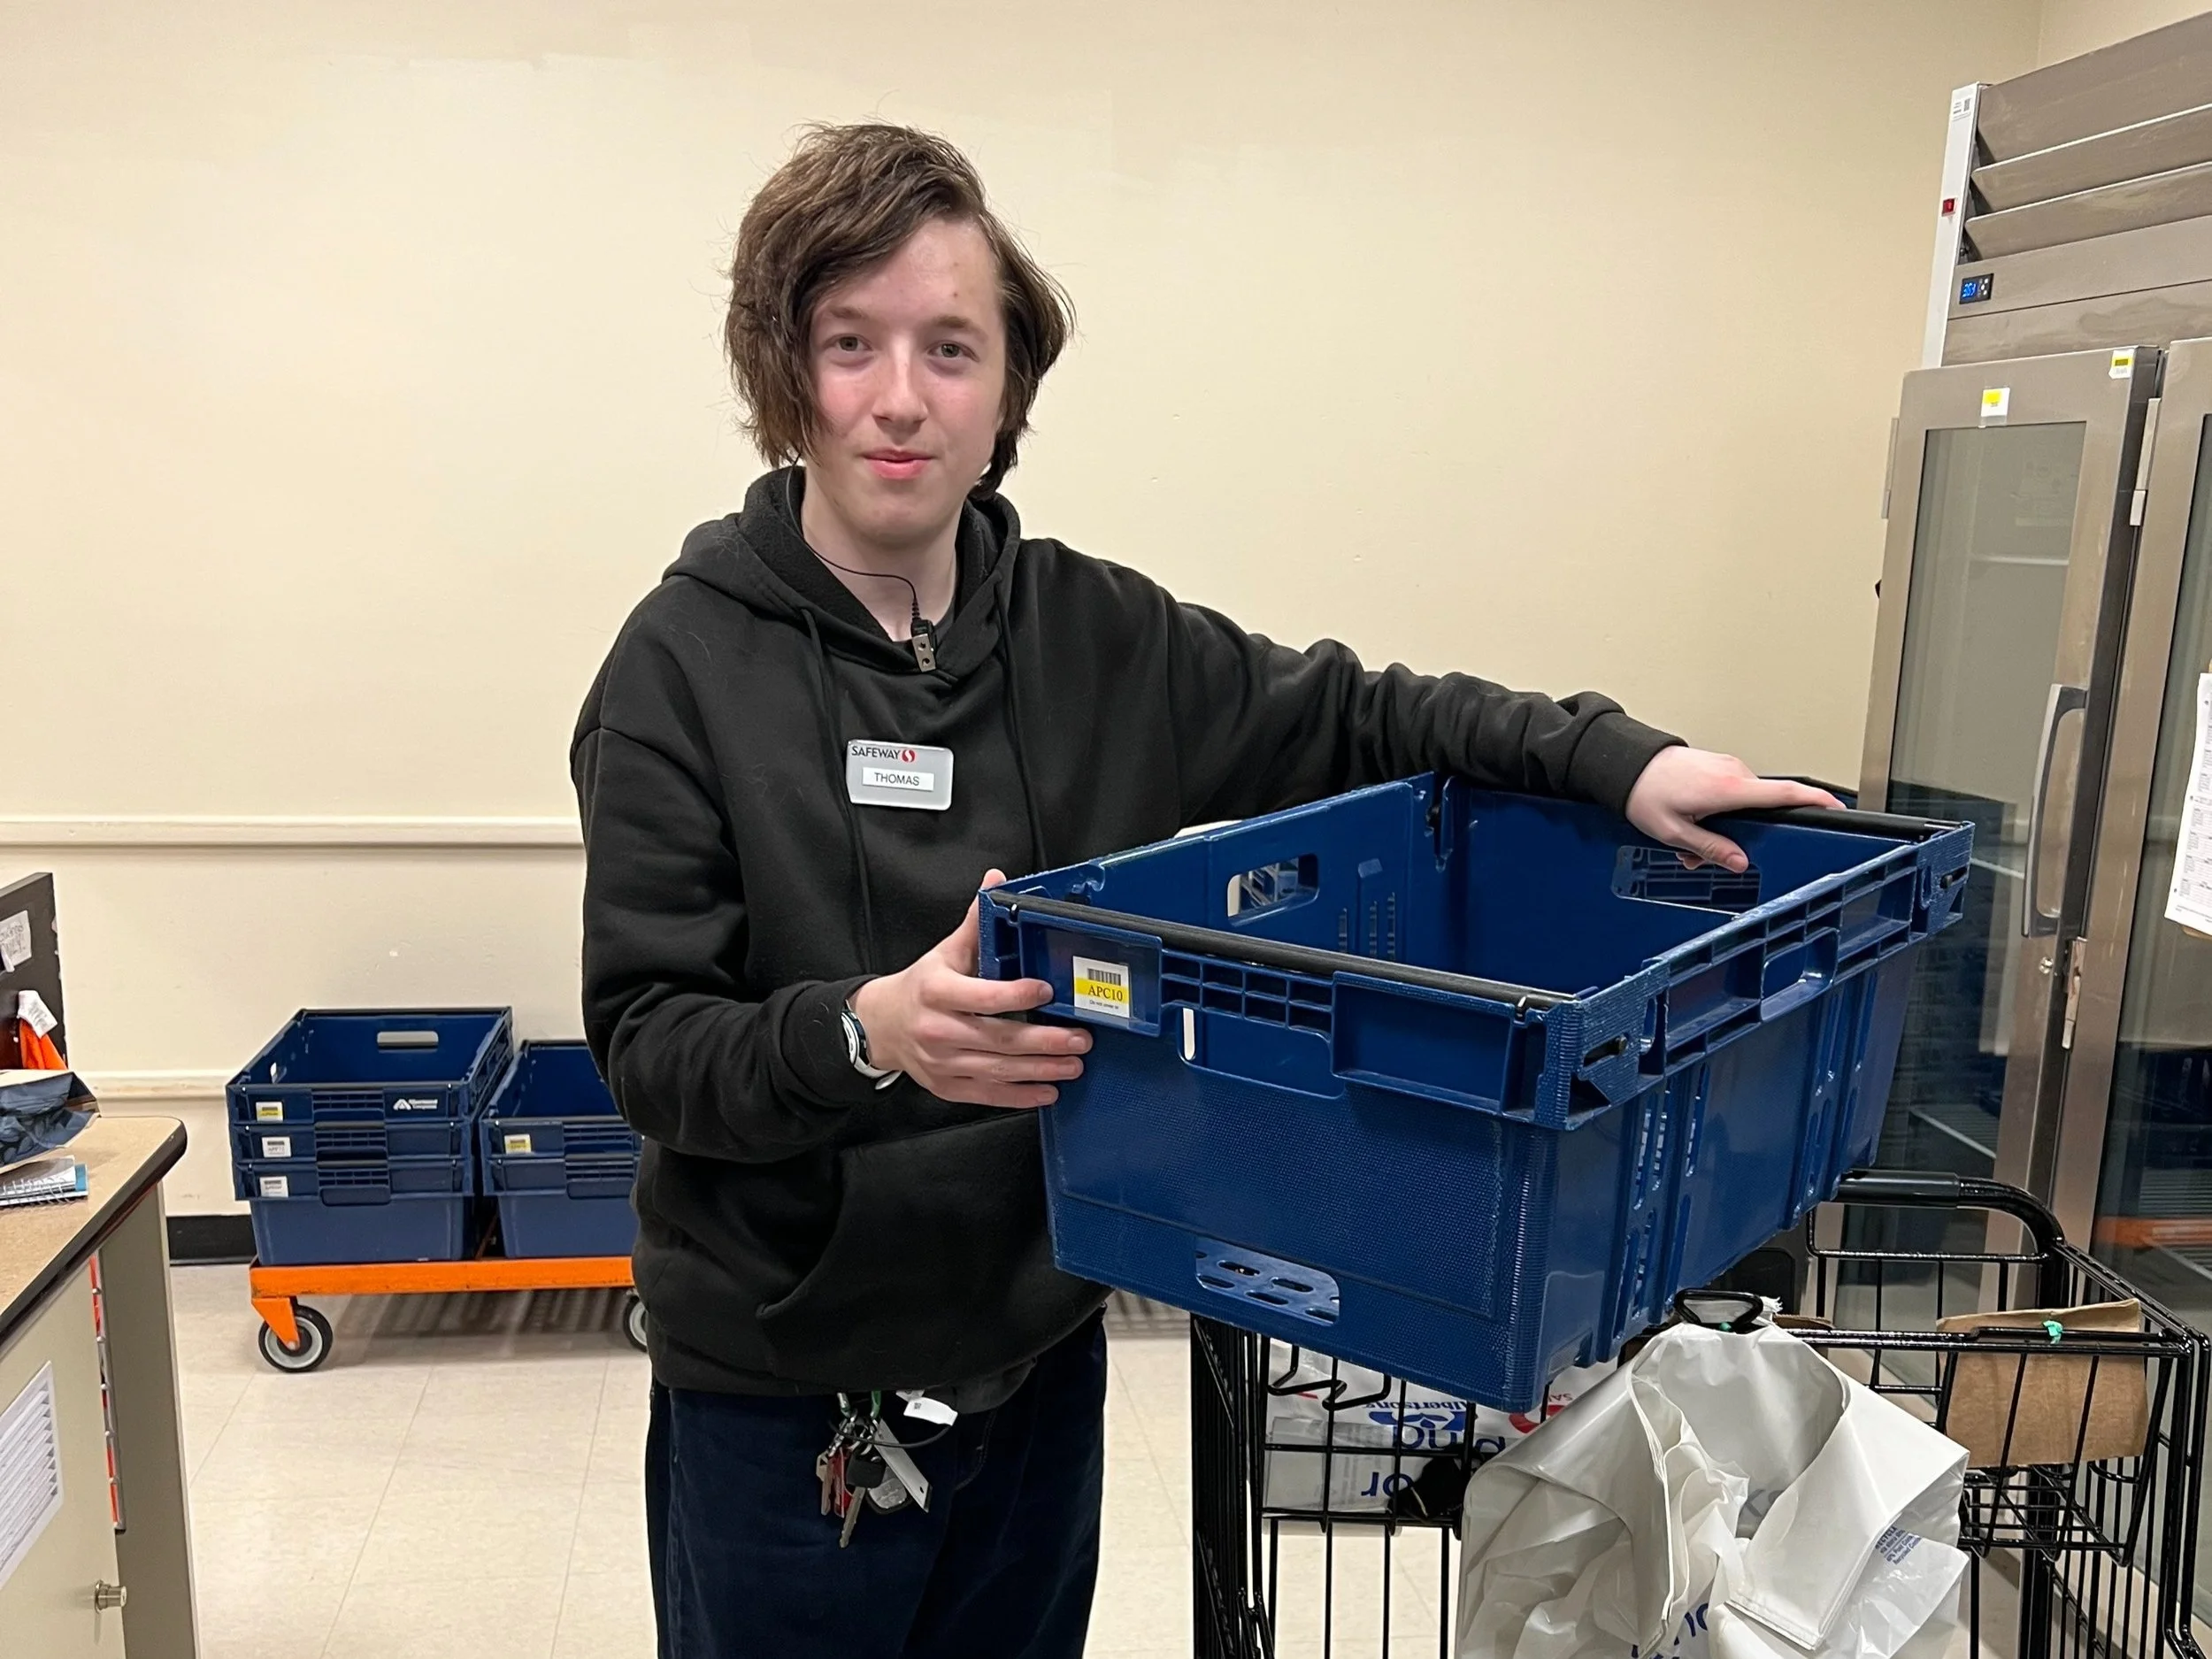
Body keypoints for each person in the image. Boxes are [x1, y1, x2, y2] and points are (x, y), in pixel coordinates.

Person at [572, 121, 1834, 1658]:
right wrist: (870, 1030)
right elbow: (652, 1045)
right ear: (787, 371)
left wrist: (1616, 760)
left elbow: (1363, 712)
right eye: (851, 344)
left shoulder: (1101, 640)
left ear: (1007, 388)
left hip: (1037, 1367)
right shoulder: (678, 669)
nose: (900, 398)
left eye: (950, 348)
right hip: (784, 1408)